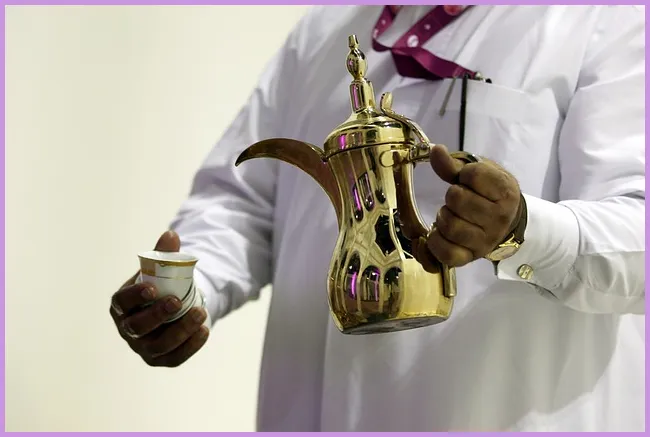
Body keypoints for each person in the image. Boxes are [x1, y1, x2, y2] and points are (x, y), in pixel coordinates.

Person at [109, 5, 645, 432]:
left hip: (503, 414)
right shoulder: (325, 28)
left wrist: (523, 228)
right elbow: (241, 202)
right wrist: (184, 292)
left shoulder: (605, 17)